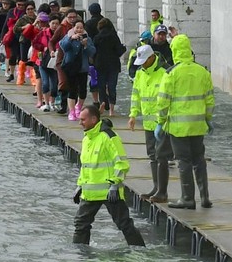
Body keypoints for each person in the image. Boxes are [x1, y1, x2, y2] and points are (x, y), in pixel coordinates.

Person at [156, 34, 215, 209]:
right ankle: (205, 197)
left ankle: (188, 198)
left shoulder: (171, 74)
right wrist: (208, 119)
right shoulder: (202, 71)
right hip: (198, 125)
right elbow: (210, 100)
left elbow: (163, 102)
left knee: (184, 161)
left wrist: (160, 122)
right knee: (199, 159)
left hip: (178, 127)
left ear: (174, 51)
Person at [72, 105, 146, 246]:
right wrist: (80, 185)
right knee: (80, 224)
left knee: (124, 224)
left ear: (94, 119)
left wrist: (114, 184)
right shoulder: (87, 138)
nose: (80, 122)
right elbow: (86, 166)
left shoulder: (109, 137)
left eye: (83, 120)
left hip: (109, 192)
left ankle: (140, 251)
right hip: (90, 193)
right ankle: (80, 255)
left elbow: (122, 164)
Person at [127, 45, 173, 202]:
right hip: (148, 123)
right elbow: (136, 95)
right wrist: (133, 115)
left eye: (144, 61)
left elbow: (169, 97)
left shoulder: (165, 72)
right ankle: (156, 187)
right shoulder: (140, 73)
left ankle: (162, 191)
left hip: (163, 123)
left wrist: (164, 121)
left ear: (152, 57)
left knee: (162, 156)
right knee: (152, 155)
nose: (141, 64)